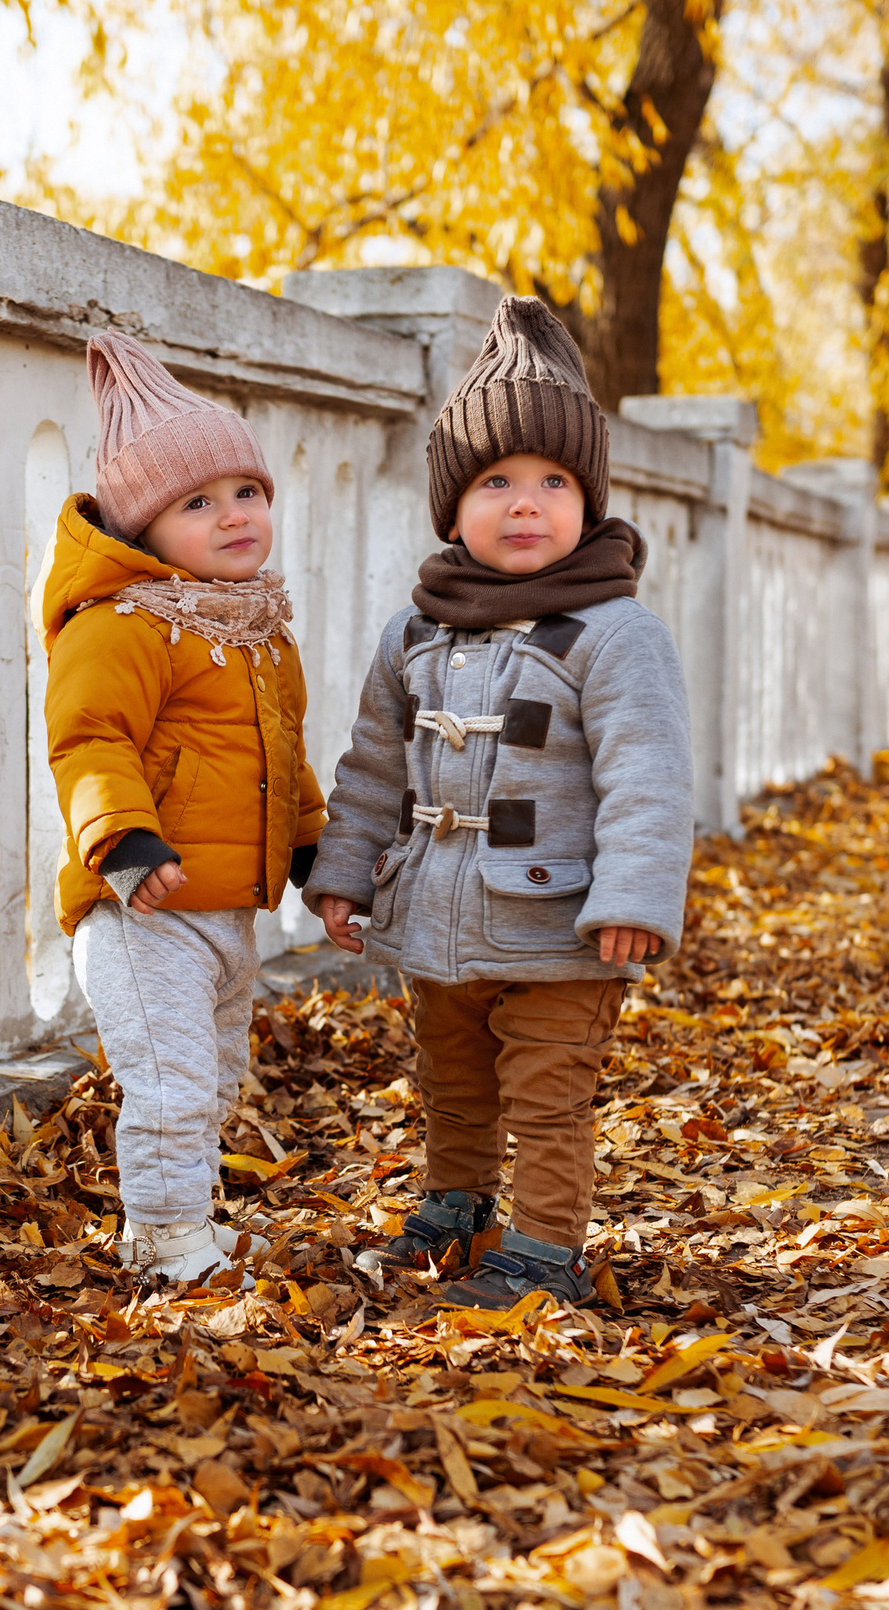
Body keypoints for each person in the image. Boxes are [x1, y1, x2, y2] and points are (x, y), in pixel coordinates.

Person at [304, 298, 692, 1309]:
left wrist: (635, 899)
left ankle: (543, 1244)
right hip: (438, 918)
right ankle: (456, 1205)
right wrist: (346, 875)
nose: (527, 504)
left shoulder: (613, 634)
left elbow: (648, 776)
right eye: (496, 482)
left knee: (548, 1094)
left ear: (589, 501)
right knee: (453, 1081)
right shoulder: (414, 635)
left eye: (554, 482)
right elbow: (373, 769)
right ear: (453, 506)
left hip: (562, 928)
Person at [42, 331, 326, 1286]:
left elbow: (283, 760)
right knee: (165, 1085)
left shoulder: (255, 631)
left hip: (226, 912)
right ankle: (168, 1247)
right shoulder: (124, 626)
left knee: (207, 1082)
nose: (233, 515)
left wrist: (317, 855)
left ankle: (179, 1222)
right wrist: (121, 840)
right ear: (145, 529)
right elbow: (88, 741)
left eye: (245, 492)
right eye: (196, 502)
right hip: (143, 906)